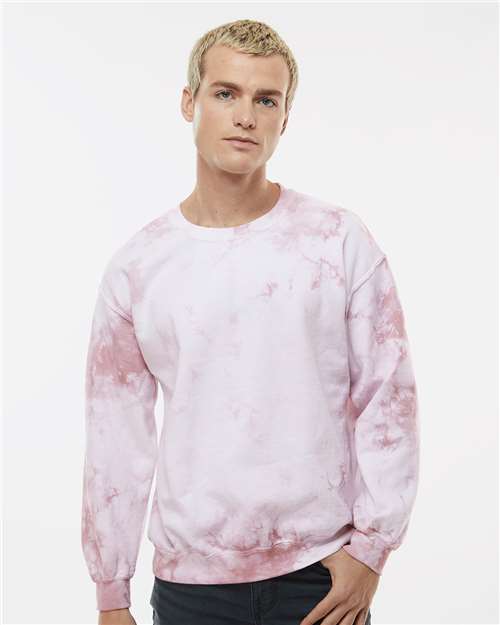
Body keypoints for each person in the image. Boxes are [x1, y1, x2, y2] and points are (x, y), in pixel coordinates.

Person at [81, 18, 420, 625]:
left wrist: (371, 552)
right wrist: (112, 593)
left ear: (284, 118)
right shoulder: (139, 267)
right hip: (191, 586)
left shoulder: (337, 240)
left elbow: (388, 398)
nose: (246, 116)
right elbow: (117, 439)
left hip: (319, 577)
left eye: (267, 100)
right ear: (189, 102)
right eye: (226, 93)